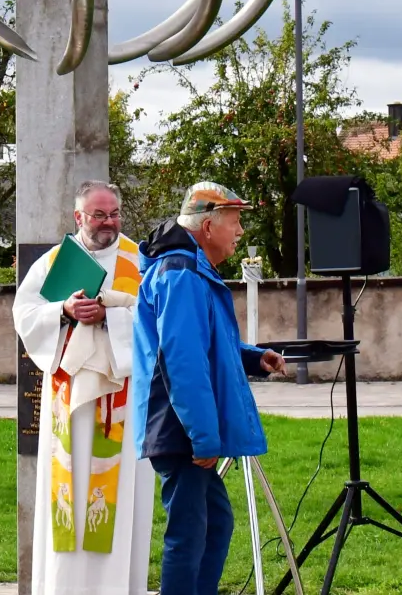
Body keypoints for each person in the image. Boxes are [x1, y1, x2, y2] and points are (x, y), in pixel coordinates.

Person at [130, 182, 285, 595]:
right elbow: (183, 362)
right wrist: (203, 436)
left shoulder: (190, 269)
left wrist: (253, 357)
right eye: (235, 221)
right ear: (209, 225)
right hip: (177, 427)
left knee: (215, 523)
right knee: (189, 534)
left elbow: (207, 340)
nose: (240, 231)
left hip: (179, 425)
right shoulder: (180, 273)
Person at [13, 180, 156, 595]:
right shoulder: (57, 260)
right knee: (68, 498)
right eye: (99, 215)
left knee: (118, 499)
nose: (108, 222)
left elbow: (155, 318)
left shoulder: (138, 260)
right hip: (68, 401)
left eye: (114, 214)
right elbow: (25, 312)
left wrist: (109, 317)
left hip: (122, 405)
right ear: (79, 217)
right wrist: (64, 308)